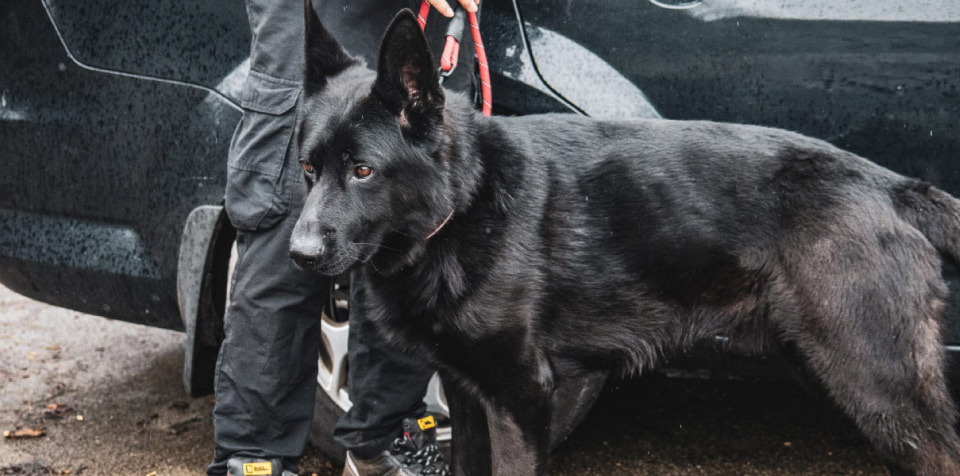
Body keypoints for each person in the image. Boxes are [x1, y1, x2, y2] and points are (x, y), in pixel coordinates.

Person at [207, 1, 479, 475]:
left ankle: (382, 440)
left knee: (413, 244)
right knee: (288, 247)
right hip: (322, 14)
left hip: (429, 22)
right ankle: (254, 462)